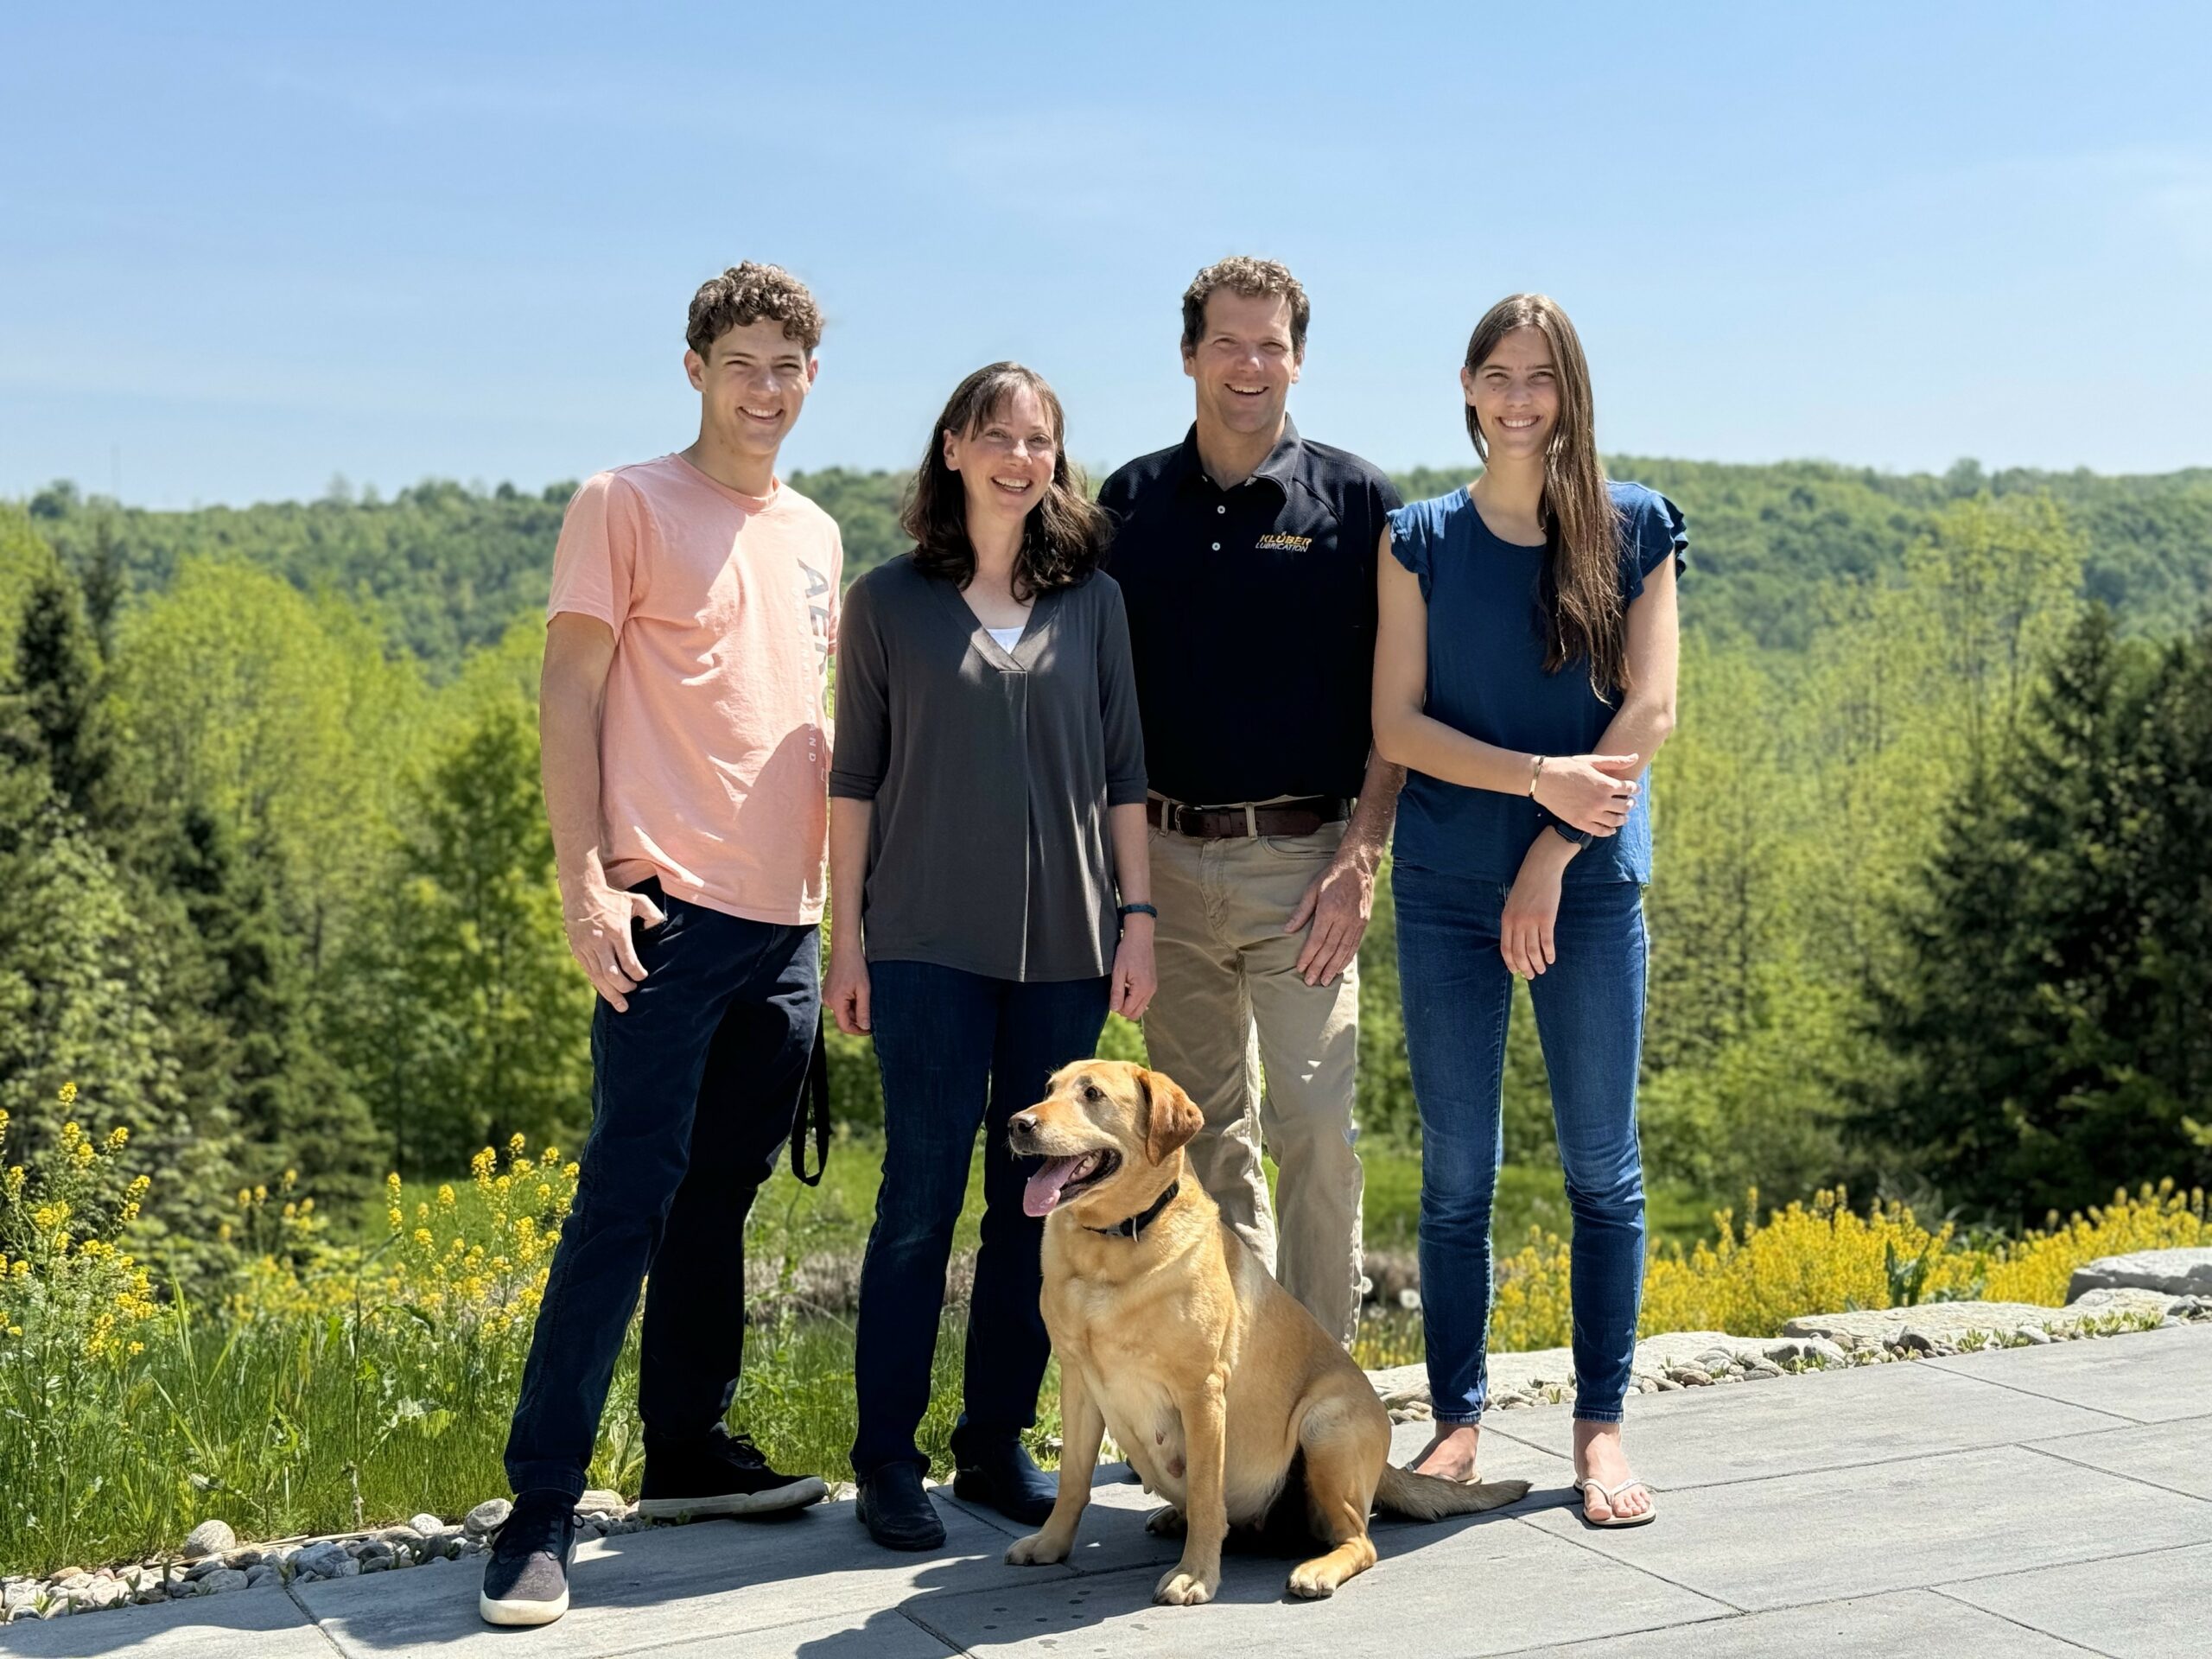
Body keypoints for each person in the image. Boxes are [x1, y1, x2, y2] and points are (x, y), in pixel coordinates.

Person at [483, 264, 842, 1627]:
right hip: (666, 912)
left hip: (787, 926)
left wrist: (833, 913)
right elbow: (568, 691)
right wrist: (585, 879)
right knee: (623, 1202)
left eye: (789, 367)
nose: (767, 388)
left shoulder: (814, 533)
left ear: (813, 381)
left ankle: (687, 1448)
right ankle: (539, 1510)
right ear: (693, 366)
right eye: (744, 361)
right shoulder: (622, 503)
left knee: (720, 1198)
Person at [828, 363, 1155, 1552]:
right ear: (955, 448)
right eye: (1000, 436)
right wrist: (846, 939)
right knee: (918, 1198)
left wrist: (1141, 920)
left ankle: (992, 1445)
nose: (1023, 457)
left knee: (1037, 1206)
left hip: (1068, 947)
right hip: (920, 946)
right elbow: (851, 782)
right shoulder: (887, 603)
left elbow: (1126, 775)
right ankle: (886, 1465)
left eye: (1043, 440)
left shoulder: (1096, 605)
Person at [1372, 292, 1683, 1528]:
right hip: (1446, 888)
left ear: (1570, 392)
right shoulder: (1419, 540)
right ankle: (1456, 1422)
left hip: (1590, 890)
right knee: (1457, 1175)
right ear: (1465, 386)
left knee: (1602, 1167)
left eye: (1540, 377)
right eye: (1497, 374)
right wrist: (1529, 781)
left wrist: (1553, 845)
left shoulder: (1638, 528)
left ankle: (1600, 1427)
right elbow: (1395, 727)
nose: (1517, 397)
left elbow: (1648, 715)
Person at [1096, 256, 1402, 1346]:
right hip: (1166, 865)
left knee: (1314, 1122)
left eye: (1271, 344)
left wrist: (1363, 856)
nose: (1249, 364)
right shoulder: (1128, 503)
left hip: (1307, 861)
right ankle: (1234, 1373)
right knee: (1201, 1133)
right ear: (1189, 355)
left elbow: (1398, 702)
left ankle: (1323, 1382)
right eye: (1228, 342)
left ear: (1299, 359)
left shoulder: (1357, 502)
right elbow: (1094, 697)